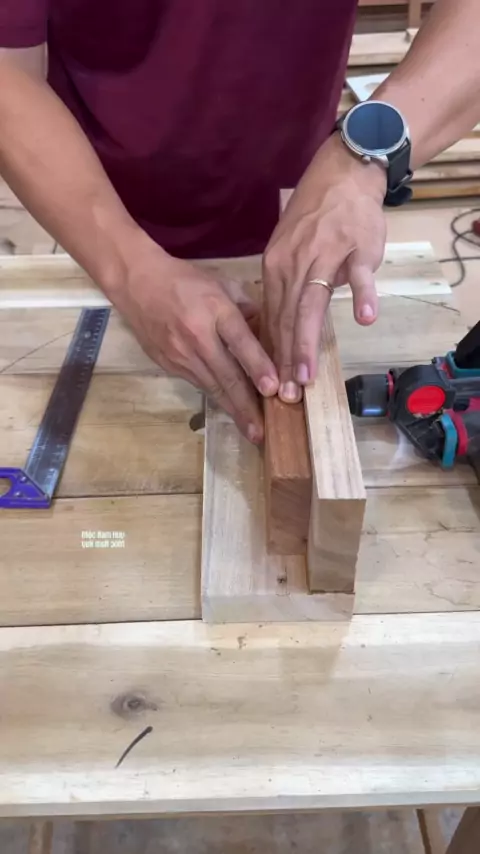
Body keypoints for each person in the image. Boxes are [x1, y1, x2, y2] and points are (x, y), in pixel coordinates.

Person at [0, 0, 478, 444]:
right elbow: (8, 70)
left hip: (291, 182)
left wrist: (364, 156)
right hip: (98, 194)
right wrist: (128, 268)